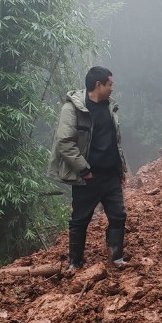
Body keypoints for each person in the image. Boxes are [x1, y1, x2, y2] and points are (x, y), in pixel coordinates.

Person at [47, 66, 129, 269]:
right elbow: (64, 142)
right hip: (88, 177)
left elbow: (115, 142)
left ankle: (116, 257)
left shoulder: (109, 107)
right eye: (110, 84)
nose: (112, 88)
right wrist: (84, 169)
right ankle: (75, 263)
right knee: (80, 220)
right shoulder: (73, 108)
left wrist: (121, 169)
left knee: (118, 215)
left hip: (111, 175)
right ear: (98, 85)